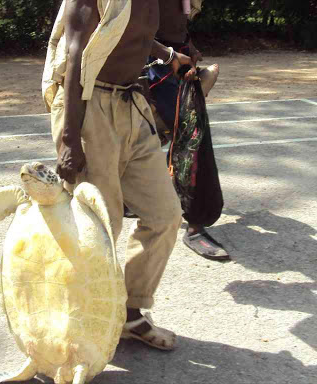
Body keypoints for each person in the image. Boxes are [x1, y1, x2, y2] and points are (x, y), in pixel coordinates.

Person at [42, 0, 196, 350]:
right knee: (100, 227)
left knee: (165, 215)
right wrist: (70, 139)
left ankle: (128, 312)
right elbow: (76, 53)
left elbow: (134, 33)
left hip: (132, 104)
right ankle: (82, 325)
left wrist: (169, 55)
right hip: (89, 106)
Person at [147, 0, 229, 261]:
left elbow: (175, 19)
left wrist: (187, 43)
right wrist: (168, 55)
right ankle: (194, 226)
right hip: (155, 61)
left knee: (180, 135)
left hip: (174, 54)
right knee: (191, 135)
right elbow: (131, 27)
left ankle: (145, 194)